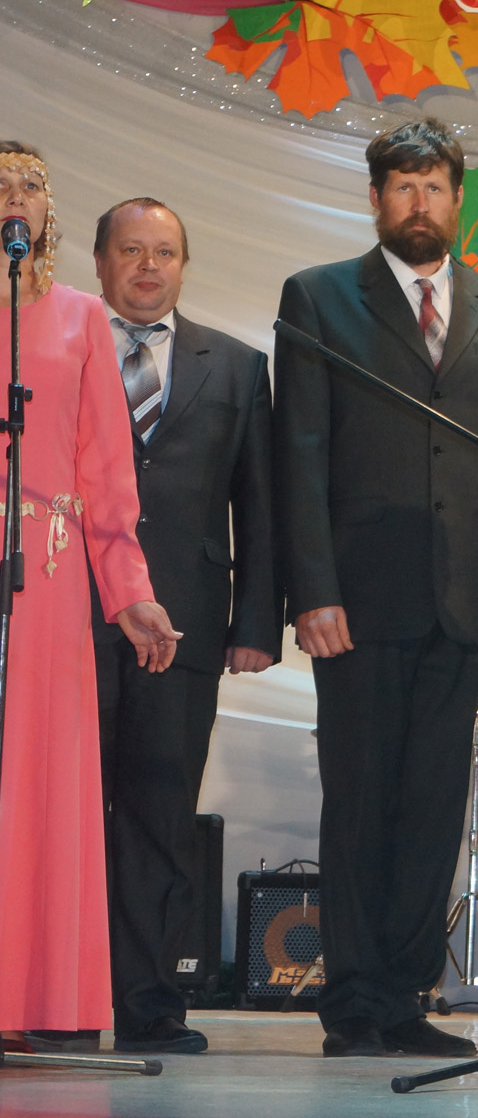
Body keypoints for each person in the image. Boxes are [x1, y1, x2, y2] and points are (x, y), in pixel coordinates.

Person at [274, 120, 478, 1059]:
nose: (417, 203)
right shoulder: (317, 297)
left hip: (463, 598)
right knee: (359, 801)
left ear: (457, 200)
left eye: (432, 187)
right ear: (375, 198)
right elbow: (299, 453)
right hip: (356, 596)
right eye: (400, 187)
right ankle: (352, 1002)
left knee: (432, 806)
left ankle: (402, 996)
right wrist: (313, 588)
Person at [0, 145, 180, 1054]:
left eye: (31, 183)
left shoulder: (79, 317)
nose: (16, 196)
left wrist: (130, 594)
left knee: (42, 778)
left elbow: (108, 474)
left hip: (49, 571)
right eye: (1, 184)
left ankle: (41, 995)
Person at [88, 199, 276, 1057]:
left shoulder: (235, 365)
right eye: (131, 250)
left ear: (185, 265)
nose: (148, 266)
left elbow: (259, 506)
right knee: (69, 813)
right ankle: (55, 998)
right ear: (100, 262)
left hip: (187, 624)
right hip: (75, 614)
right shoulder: (64, 348)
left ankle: (150, 1005)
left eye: (164, 252)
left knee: (162, 818)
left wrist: (255, 621)